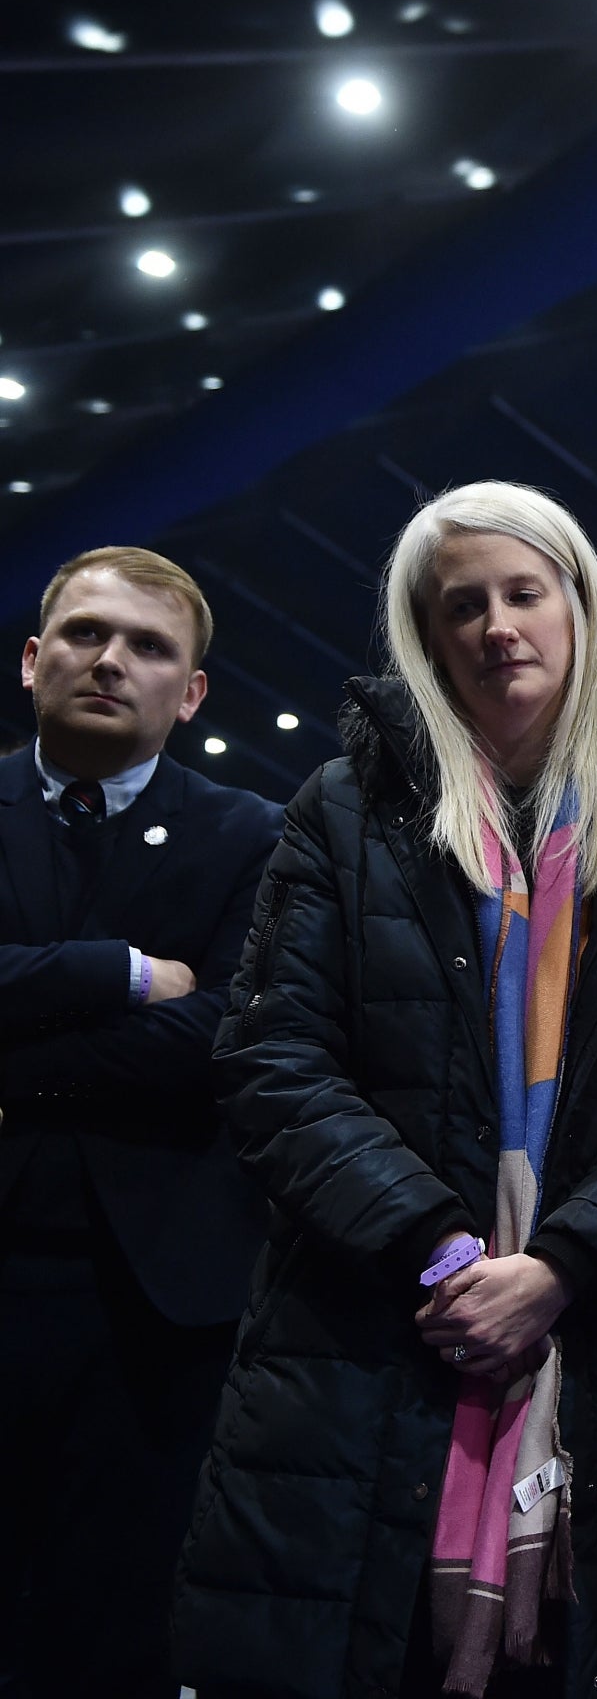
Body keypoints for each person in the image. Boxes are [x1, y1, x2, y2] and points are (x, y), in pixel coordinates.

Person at [170, 481, 597, 1698]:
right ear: (428, 635)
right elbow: (272, 1058)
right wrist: (442, 1254)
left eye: (523, 591)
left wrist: (558, 1266)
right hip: (369, 1330)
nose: (499, 624)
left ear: (578, 604)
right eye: (464, 605)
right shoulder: (342, 811)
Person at [0, 547, 284, 1697]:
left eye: (149, 646)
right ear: (32, 659)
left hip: (160, 1305)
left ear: (193, 689)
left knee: (120, 1635)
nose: (111, 660)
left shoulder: (255, 834)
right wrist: (110, 972)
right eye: (83, 634)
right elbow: (168, 1019)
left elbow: (229, 1040)